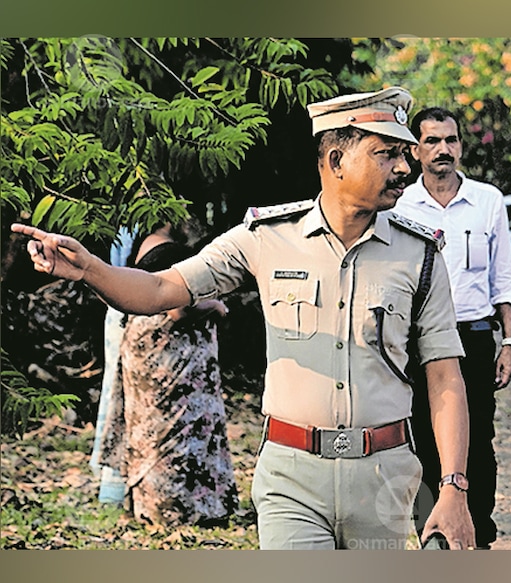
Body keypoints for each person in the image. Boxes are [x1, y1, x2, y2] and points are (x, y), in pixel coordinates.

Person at [12, 87, 475, 550]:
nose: (403, 167)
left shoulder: (420, 254)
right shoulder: (266, 238)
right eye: (386, 153)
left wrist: (454, 488)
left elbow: (444, 377)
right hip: (292, 480)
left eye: (402, 154)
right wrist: (90, 268)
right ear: (336, 160)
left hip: (385, 479)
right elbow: (159, 289)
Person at [395, 106, 511, 549]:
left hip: (472, 335)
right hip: (417, 341)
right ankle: (432, 534)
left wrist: (508, 341)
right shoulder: (400, 205)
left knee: (479, 438)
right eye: (432, 141)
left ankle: (477, 534)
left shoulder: (487, 200)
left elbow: (503, 277)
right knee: (422, 438)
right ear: (415, 150)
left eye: (450, 140)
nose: (443, 149)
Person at [100, 221, 237, 526]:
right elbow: (177, 308)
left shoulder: (143, 245)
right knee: (173, 429)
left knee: (149, 428)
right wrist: (215, 306)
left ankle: (153, 505)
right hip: (167, 354)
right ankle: (180, 509)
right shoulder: (166, 249)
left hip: (147, 348)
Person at [90, 225, 135, 505]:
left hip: (119, 309)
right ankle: (113, 483)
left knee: (115, 396)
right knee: (117, 398)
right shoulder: (129, 230)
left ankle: (113, 484)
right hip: (125, 310)